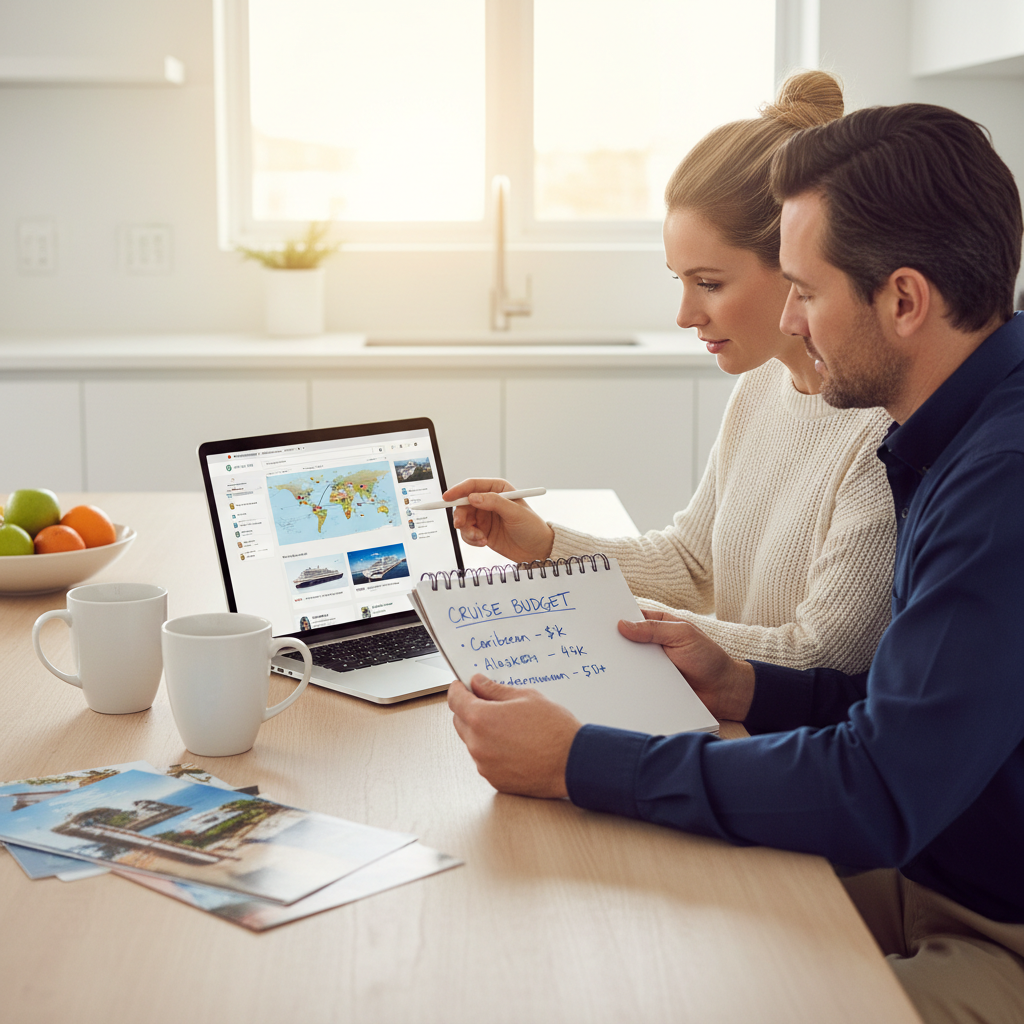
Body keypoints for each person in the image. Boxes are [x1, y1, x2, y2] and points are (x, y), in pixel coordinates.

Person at [448, 100, 1024, 1024]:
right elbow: (907, 710)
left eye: (805, 291)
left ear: (904, 300)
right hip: (933, 866)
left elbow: (878, 786)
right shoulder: (952, 434)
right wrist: (747, 684)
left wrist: (579, 761)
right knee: (636, 936)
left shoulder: (999, 484)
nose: (791, 320)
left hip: (991, 927)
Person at [446, 71, 894, 674]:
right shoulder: (761, 383)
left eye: (708, 283)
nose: (685, 315)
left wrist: (608, 614)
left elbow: (824, 657)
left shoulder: (879, 434)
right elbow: (692, 563)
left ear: (795, 263)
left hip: (773, 729)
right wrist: (545, 545)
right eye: (680, 280)